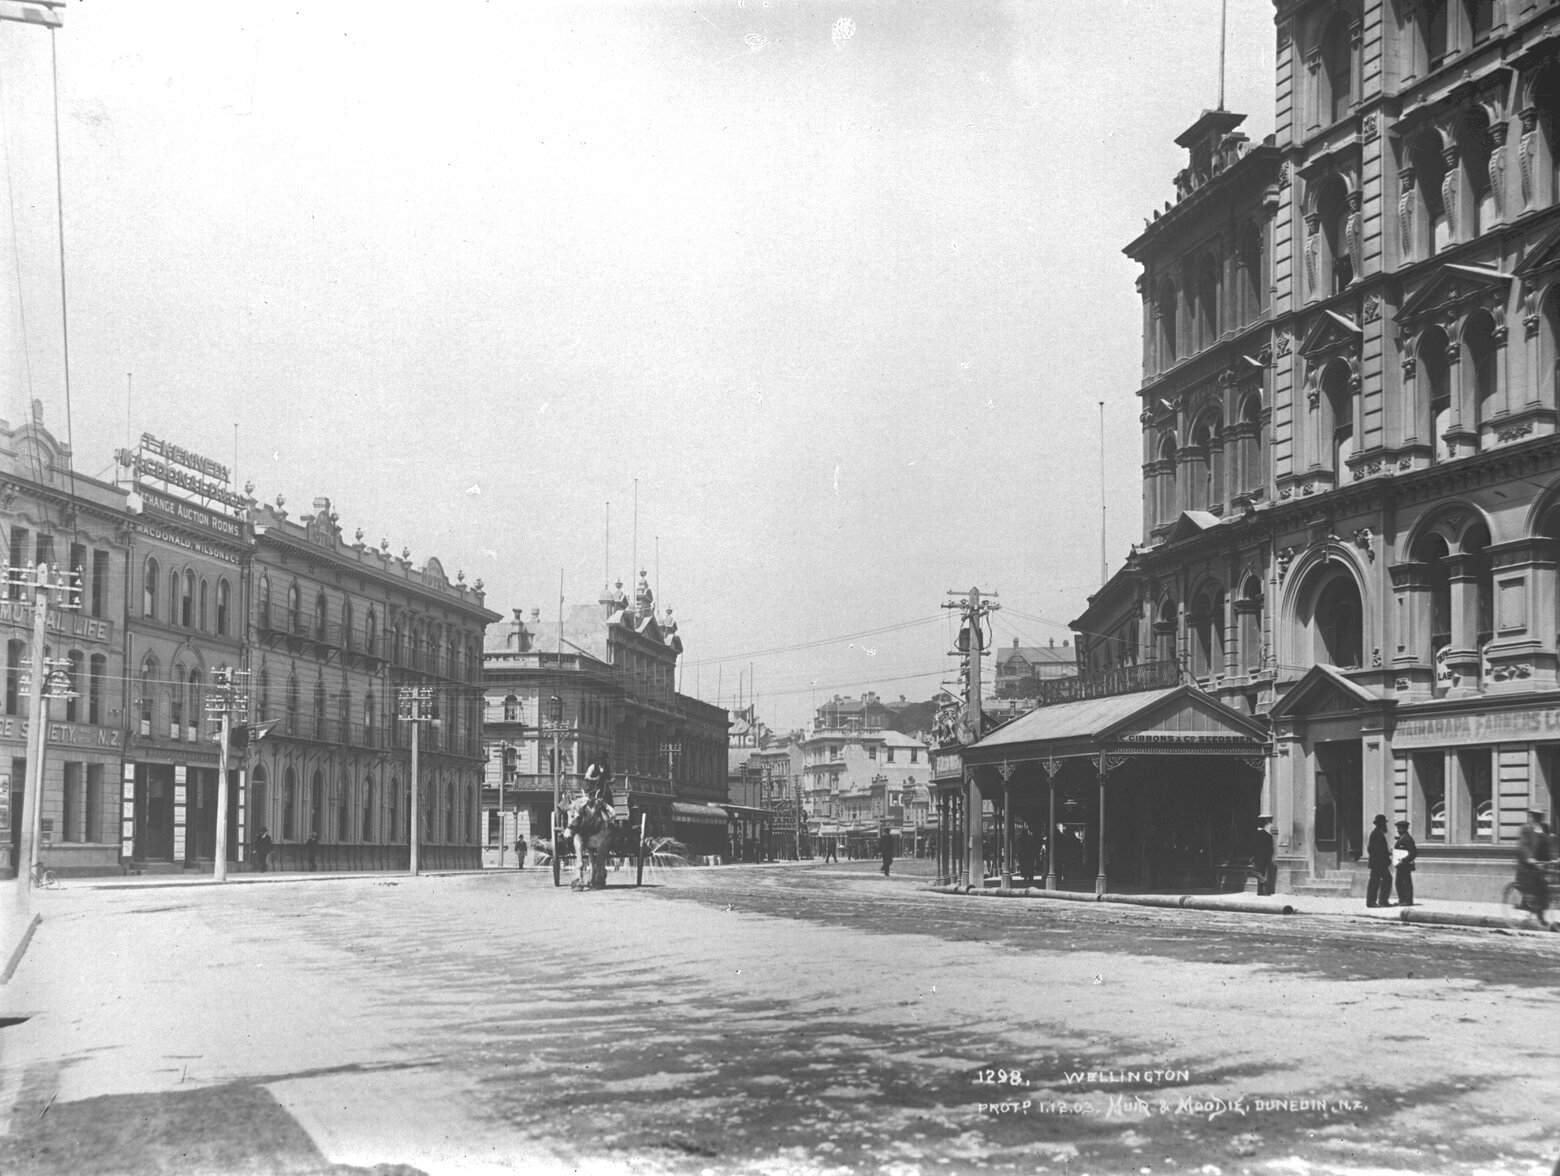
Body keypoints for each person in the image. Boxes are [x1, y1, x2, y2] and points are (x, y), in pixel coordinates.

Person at [1516, 808, 1554, 925]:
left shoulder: (1545, 828)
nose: (1538, 818)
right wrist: (1529, 858)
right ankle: (1529, 906)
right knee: (1533, 888)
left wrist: (1553, 858)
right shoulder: (1526, 829)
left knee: (1545, 891)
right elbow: (1524, 845)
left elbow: (1548, 845)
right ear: (1531, 816)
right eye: (1536, 815)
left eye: (1540, 815)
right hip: (1528, 865)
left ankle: (1540, 913)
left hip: (1541, 864)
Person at [1366, 814, 1393, 907]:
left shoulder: (1378, 833)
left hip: (1378, 863)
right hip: (1378, 863)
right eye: (1383, 823)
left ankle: (1380, 900)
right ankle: (1374, 901)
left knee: (1379, 880)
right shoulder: (1376, 834)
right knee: (1378, 880)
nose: (1384, 825)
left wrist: (1387, 853)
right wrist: (1387, 854)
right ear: (1380, 824)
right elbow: (1374, 849)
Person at [1392, 819, 1417, 907]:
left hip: (1405, 865)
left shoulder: (1407, 839)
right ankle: (1402, 899)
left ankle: (1407, 900)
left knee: (1405, 882)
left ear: (1405, 829)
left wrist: (1403, 861)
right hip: (1400, 865)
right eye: (1398, 829)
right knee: (1399, 882)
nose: (1398, 830)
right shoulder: (1402, 838)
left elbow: (1413, 853)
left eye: (1400, 829)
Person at [583, 752, 616, 819]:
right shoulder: (593, 766)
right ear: (598, 760)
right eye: (600, 759)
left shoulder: (608, 767)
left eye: (603, 759)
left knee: (609, 802)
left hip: (604, 789)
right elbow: (586, 777)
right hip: (593, 789)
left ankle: (611, 816)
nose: (601, 761)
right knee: (590, 801)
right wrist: (594, 779)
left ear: (605, 760)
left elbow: (613, 777)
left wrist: (612, 780)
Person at [1252, 814, 1277, 896]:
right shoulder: (1268, 836)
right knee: (1262, 872)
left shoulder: (1254, 835)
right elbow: (1271, 849)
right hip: (1265, 857)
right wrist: (1269, 858)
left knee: (1254, 871)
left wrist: (1252, 856)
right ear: (1264, 825)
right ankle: (1261, 892)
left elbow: (1251, 846)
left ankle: (1263, 881)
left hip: (1257, 856)